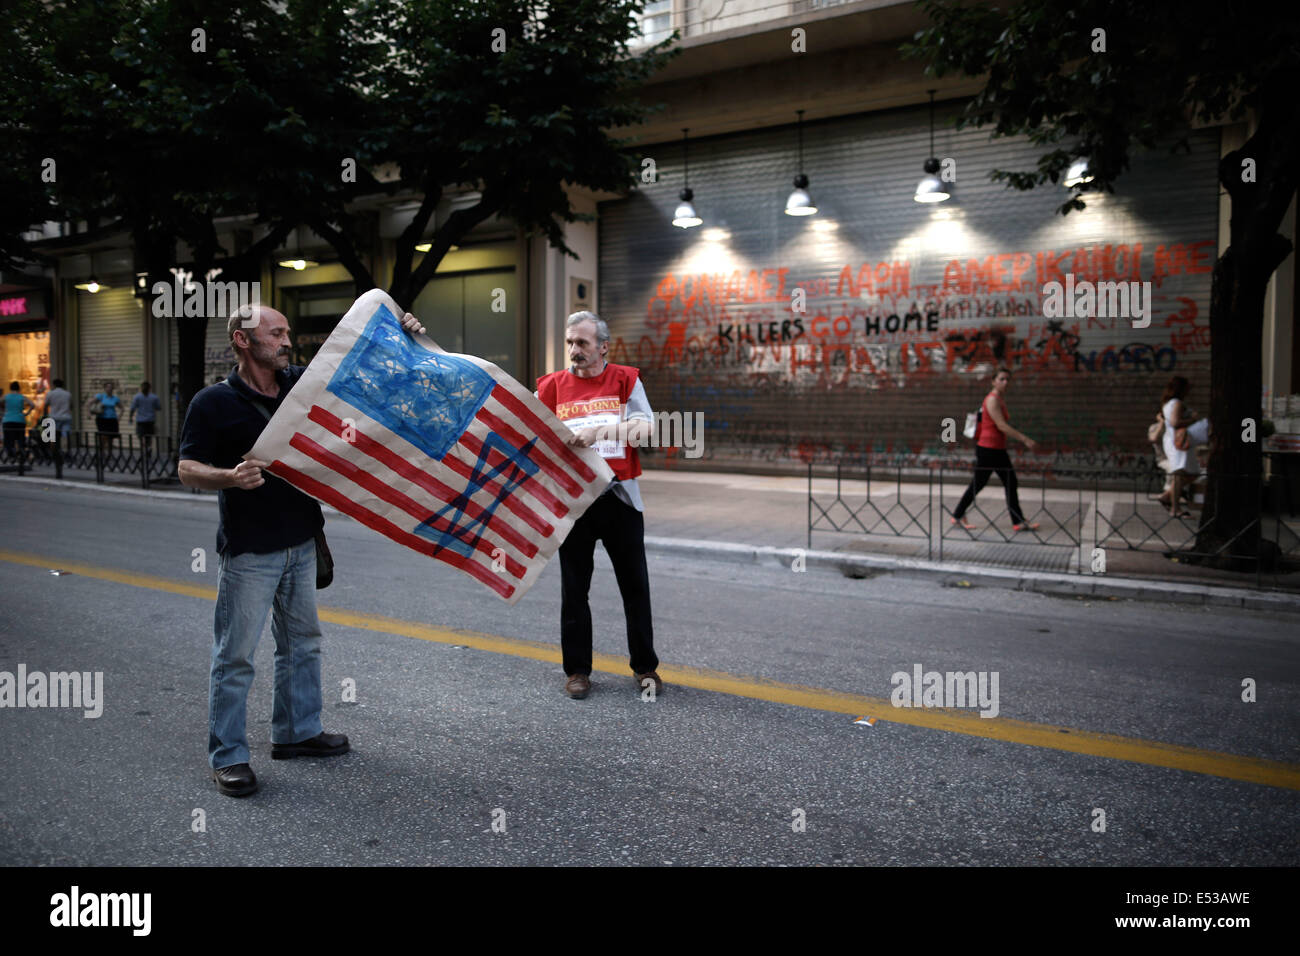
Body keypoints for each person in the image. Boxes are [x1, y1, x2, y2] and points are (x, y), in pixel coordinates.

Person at [179, 303, 427, 797]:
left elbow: (362, 371)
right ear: (242, 341)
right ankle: (228, 757)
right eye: (276, 334)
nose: (286, 341)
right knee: (236, 656)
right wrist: (228, 477)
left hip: (302, 539)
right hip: (251, 549)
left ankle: (296, 734)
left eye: (288, 332)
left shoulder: (301, 385)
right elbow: (187, 467)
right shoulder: (211, 403)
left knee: (303, 644)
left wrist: (404, 337)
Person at [536, 311, 662, 700]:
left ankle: (645, 667)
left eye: (583, 343)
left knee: (635, 586)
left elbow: (647, 429)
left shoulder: (626, 379)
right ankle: (577, 671)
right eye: (571, 343)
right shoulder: (552, 386)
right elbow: (532, 435)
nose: (575, 350)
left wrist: (600, 431)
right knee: (574, 589)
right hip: (575, 502)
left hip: (619, 498)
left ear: (603, 347)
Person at [951, 366, 1039, 531]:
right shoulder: (992, 400)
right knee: (1005, 482)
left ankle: (958, 515)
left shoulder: (998, 399)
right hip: (989, 449)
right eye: (1002, 379)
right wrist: (1025, 439)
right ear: (993, 381)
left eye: (1007, 379)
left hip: (994, 449)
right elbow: (1001, 425)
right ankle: (1017, 521)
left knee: (1000, 482)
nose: (1005, 382)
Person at [1159, 375, 1210, 518]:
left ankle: (1167, 496)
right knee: (1179, 475)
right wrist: (1193, 419)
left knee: (1191, 473)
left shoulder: (1168, 403)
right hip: (1178, 442)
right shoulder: (1177, 404)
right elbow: (1175, 423)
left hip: (1174, 441)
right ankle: (1175, 509)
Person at [2, 381, 36, 461]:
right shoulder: (22, 397)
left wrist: (2, 413)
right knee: (20, 438)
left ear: (10, 388)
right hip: (20, 420)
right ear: (18, 388)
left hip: (8, 420)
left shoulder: (6, 397)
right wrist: (27, 413)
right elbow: (32, 404)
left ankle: (10, 454)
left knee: (8, 439)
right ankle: (21, 453)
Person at [41, 378, 73, 453]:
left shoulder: (50, 394)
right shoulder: (67, 394)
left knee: (53, 436)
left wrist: (45, 416)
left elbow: (45, 405)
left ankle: (54, 452)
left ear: (54, 385)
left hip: (53, 417)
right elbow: (71, 406)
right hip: (66, 417)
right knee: (65, 435)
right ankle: (65, 451)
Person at [128, 381, 162, 449]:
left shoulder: (137, 397)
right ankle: (147, 447)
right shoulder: (154, 397)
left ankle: (146, 447)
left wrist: (130, 418)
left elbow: (132, 408)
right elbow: (159, 407)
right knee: (148, 436)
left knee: (141, 435)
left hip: (143, 420)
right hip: (149, 420)